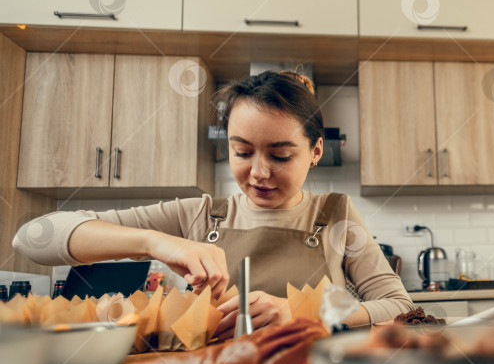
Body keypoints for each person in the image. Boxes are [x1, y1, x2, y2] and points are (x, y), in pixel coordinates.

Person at [13, 70, 414, 338]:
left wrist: (312, 313)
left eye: (279, 155)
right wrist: (158, 243)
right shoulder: (199, 214)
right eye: (242, 152)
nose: (258, 172)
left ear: (315, 151)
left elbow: (397, 304)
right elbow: (30, 239)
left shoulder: (334, 213)